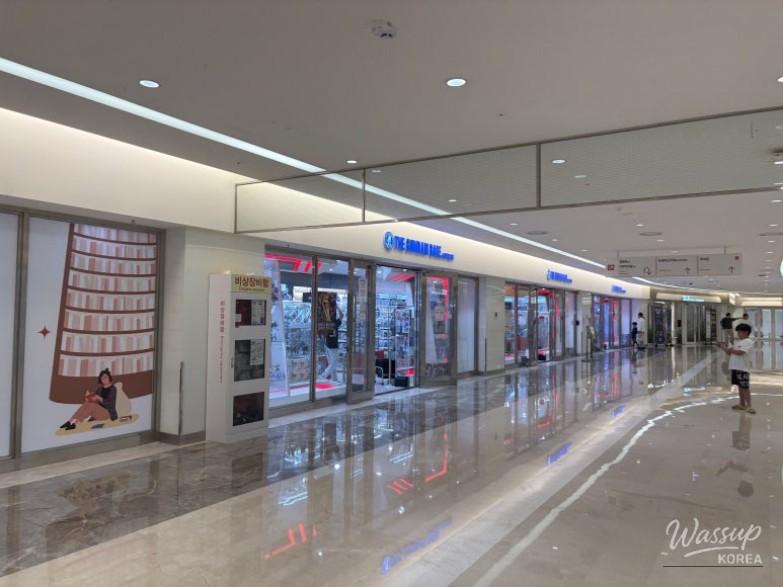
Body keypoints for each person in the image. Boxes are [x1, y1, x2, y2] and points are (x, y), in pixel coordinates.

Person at [718, 323, 755, 414]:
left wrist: (731, 350)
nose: (738, 334)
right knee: (739, 386)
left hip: (742, 368)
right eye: (738, 332)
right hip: (735, 367)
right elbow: (729, 353)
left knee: (745, 387)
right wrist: (723, 346)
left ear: (746, 332)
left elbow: (741, 352)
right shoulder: (738, 342)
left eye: (740, 332)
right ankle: (742, 404)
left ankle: (749, 406)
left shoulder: (748, 341)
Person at [322, 304, 344, 381]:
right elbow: (342, 315)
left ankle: (334, 380)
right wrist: (337, 307)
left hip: (327, 344)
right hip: (332, 345)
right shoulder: (334, 323)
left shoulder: (326, 322)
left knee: (331, 363)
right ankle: (324, 375)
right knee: (334, 363)